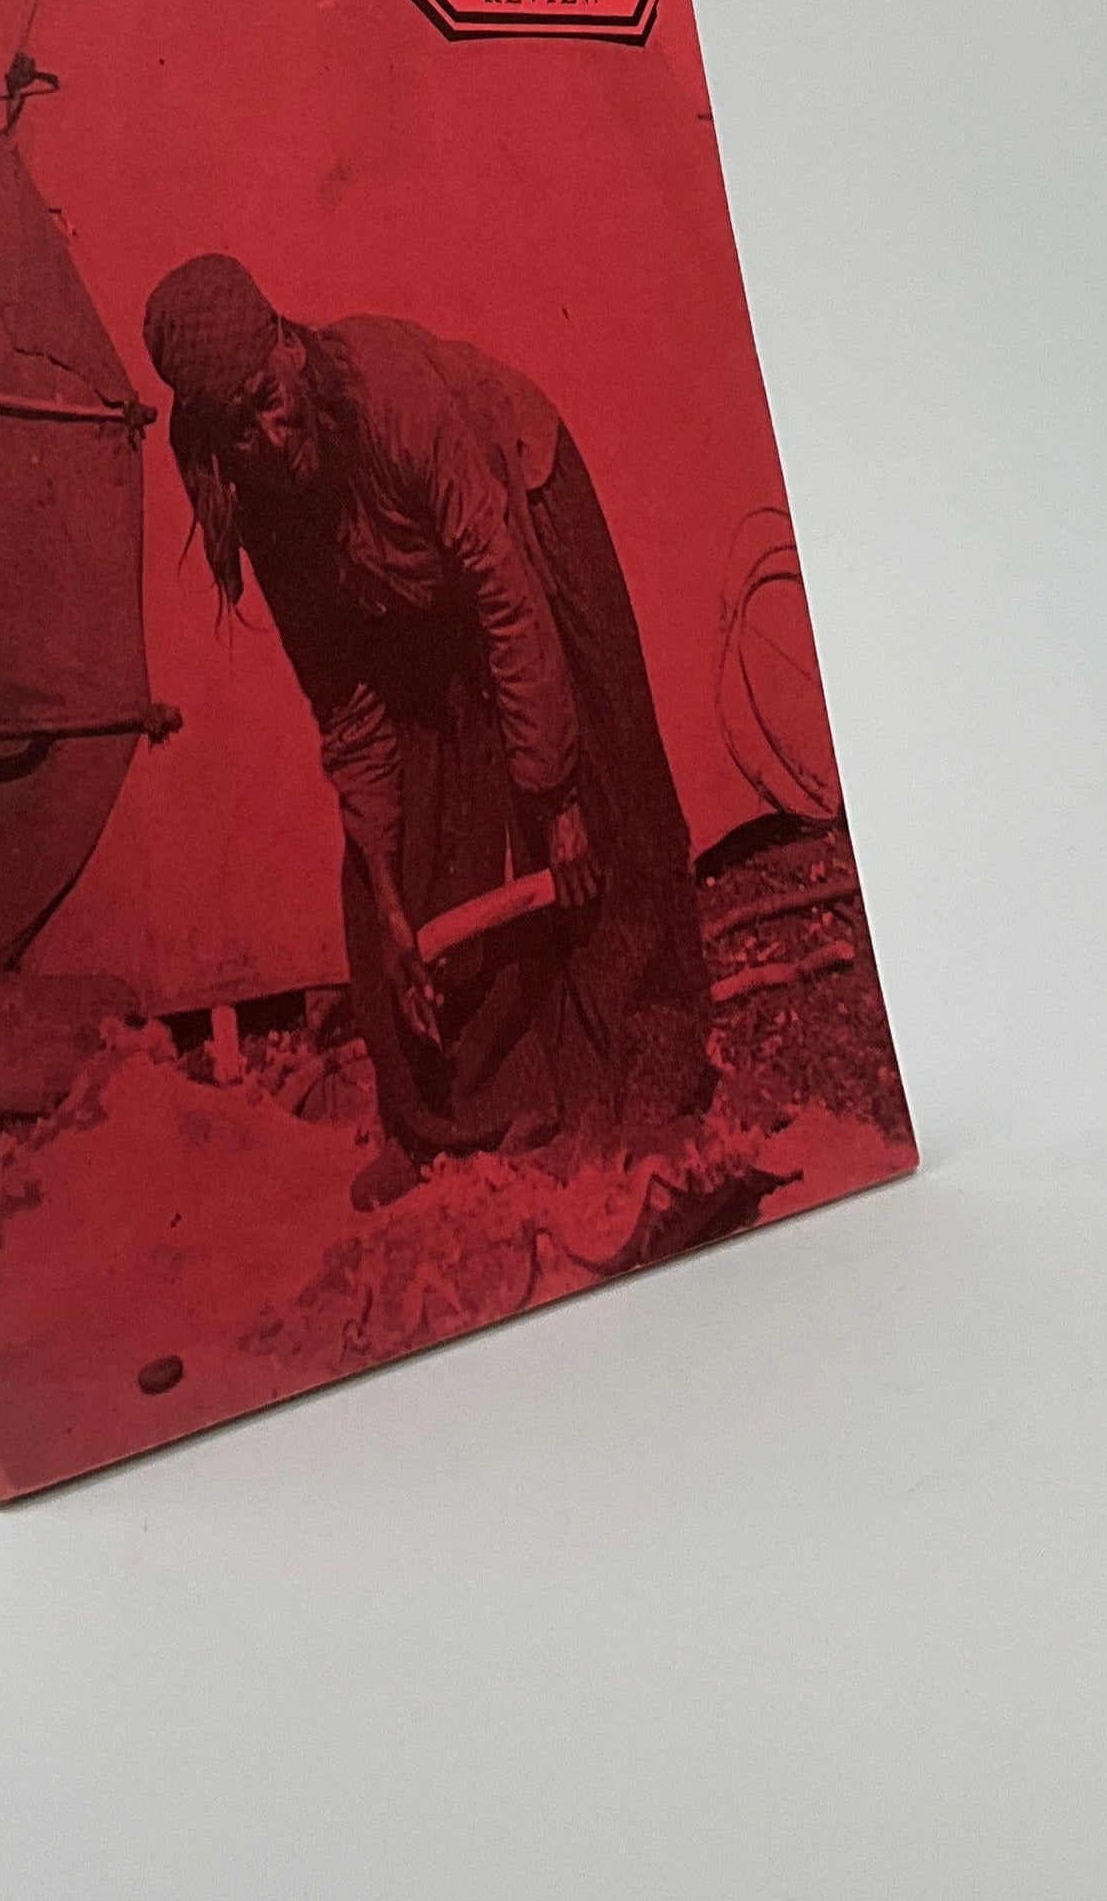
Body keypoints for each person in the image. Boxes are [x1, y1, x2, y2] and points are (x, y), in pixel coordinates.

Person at [143, 254, 713, 1209]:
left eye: (269, 402)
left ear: (288, 350)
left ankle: (652, 1078)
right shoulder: (265, 508)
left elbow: (507, 599)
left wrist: (556, 795)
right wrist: (387, 894)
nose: (269, 439)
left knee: (600, 770)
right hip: (403, 567)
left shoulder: (398, 400)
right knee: (413, 815)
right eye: (237, 430)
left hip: (518, 499)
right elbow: (346, 708)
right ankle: (461, 1110)